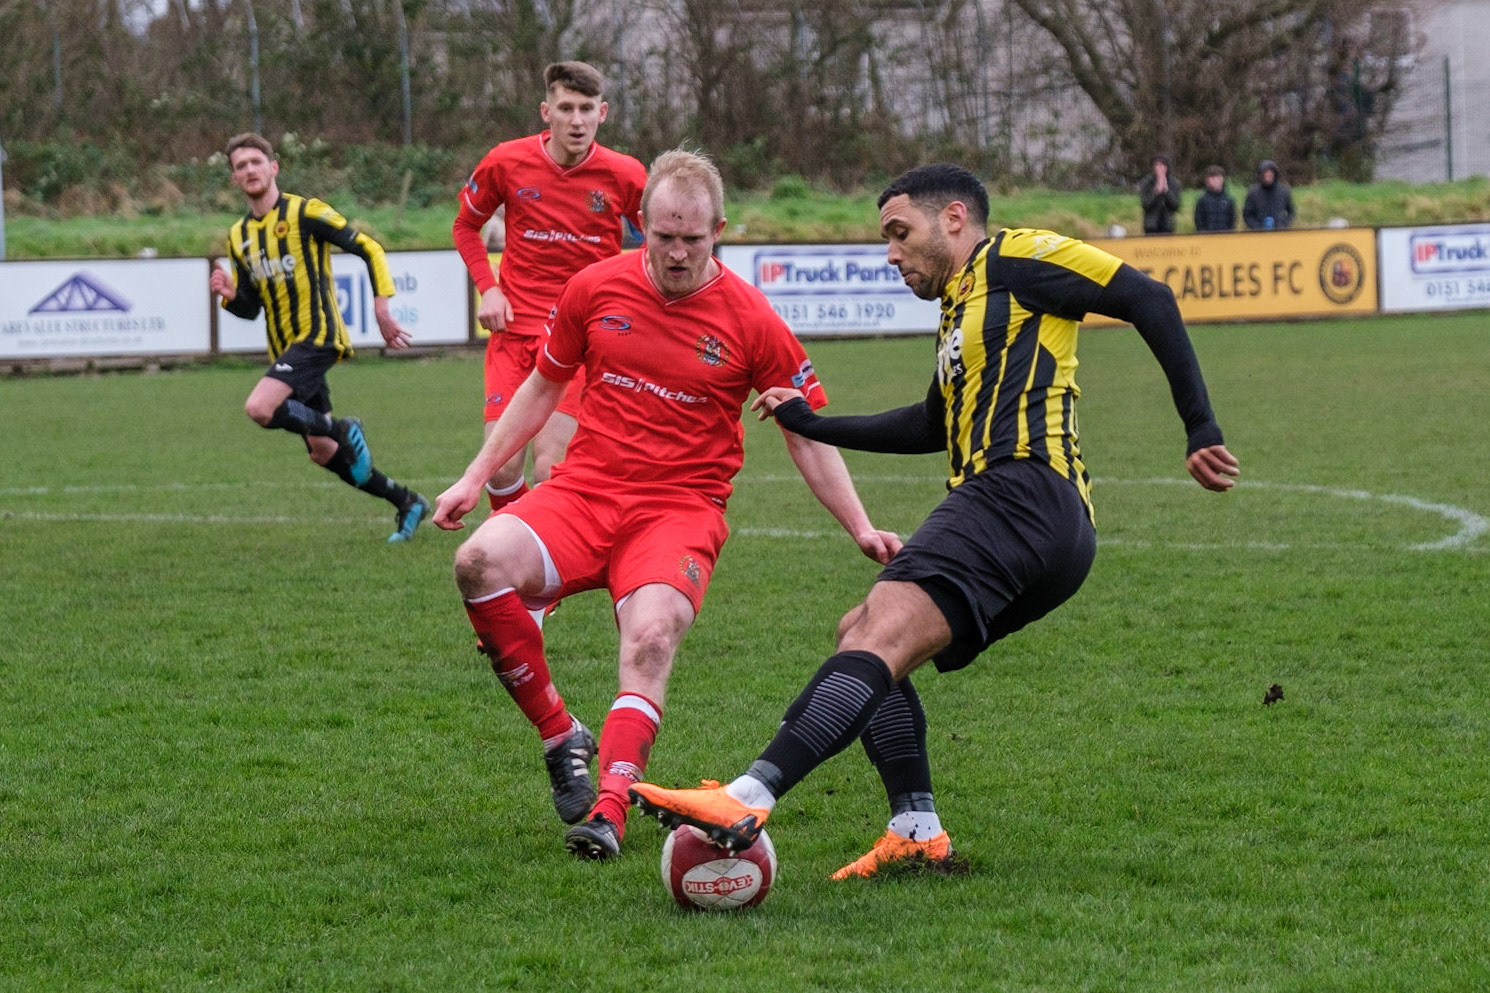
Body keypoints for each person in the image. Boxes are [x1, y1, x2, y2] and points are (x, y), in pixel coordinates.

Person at [630, 162, 1241, 879]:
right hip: (1029, 517)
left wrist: (1199, 426)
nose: (891, 252)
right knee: (860, 633)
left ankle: (747, 793)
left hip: (1021, 489)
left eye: (899, 232)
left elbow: (1147, 295)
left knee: (877, 632)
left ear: (953, 218)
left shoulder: (1017, 258)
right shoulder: (960, 309)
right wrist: (811, 423)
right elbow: (930, 422)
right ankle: (916, 829)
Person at [431, 149, 902, 861]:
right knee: (477, 561)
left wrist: (860, 525)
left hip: (678, 510)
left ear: (719, 230)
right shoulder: (595, 288)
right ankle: (562, 735)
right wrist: (474, 477)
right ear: (640, 225)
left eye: (694, 238)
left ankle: (610, 810)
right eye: (663, 237)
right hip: (586, 491)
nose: (678, 253)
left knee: (649, 642)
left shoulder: (752, 318)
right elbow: (540, 388)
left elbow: (805, 435)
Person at [210, 133, 429, 544]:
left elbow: (370, 248)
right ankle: (406, 501)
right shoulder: (239, 236)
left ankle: (343, 426)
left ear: (274, 167)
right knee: (322, 451)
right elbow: (250, 306)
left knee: (260, 407)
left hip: (318, 336)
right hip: (286, 349)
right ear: (234, 179)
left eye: (257, 161)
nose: (250, 170)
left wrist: (382, 308)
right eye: (241, 166)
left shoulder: (304, 212)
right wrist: (228, 296)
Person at [452, 61, 647, 514]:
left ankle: (540, 576)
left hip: (580, 340)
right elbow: (466, 226)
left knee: (550, 468)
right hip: (515, 336)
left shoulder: (625, 174)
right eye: (565, 108)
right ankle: (521, 559)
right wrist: (490, 288)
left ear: (604, 113)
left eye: (586, 109)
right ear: (546, 111)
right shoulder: (507, 160)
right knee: (500, 471)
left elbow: (659, 244)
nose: (576, 121)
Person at [1243, 159, 1295, 230]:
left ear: (1275, 174)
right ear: (1261, 175)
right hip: (1259, 234)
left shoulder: (1284, 191)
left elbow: (1291, 212)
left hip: (1279, 233)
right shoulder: (1253, 192)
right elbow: (1247, 215)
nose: (1268, 175)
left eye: (1270, 173)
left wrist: (1283, 224)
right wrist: (1257, 227)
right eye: (1265, 173)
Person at [1137, 154, 1181, 235]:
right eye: (1157, 165)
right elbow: (1145, 205)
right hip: (1151, 226)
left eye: (1162, 165)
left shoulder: (1174, 183)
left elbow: (1176, 206)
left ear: (1167, 167)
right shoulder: (1146, 182)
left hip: (1168, 226)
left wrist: (1167, 192)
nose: (1160, 168)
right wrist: (1156, 192)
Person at [1193, 164, 1237, 232]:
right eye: (1211, 178)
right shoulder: (1202, 200)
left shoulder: (1229, 200)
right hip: (1207, 238)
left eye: (1217, 177)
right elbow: (1199, 221)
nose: (1214, 181)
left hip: (1225, 237)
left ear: (1222, 179)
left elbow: (1232, 220)